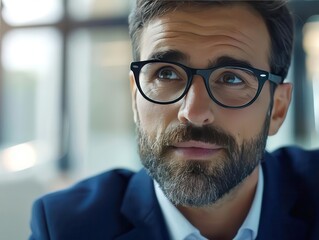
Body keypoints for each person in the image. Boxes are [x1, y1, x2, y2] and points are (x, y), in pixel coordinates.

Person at [29, 1, 319, 239]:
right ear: (135, 97)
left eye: (231, 78)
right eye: (166, 74)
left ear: (277, 109)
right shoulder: (65, 227)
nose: (193, 112)